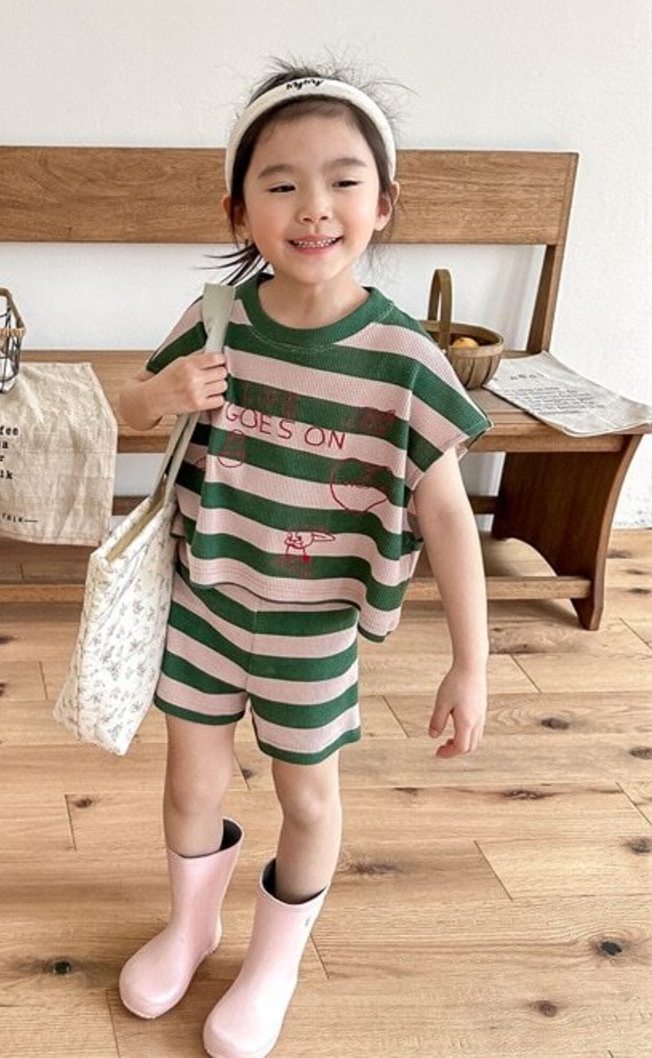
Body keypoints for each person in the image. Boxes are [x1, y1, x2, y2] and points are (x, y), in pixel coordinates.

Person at [115, 64, 491, 1058]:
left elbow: (447, 516)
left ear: (384, 202)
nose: (313, 207)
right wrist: (163, 396)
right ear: (238, 211)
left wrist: (471, 662)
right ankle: (191, 926)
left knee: (307, 794)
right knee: (190, 783)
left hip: (311, 625)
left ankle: (274, 959)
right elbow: (129, 406)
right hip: (203, 601)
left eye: (342, 180)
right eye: (280, 184)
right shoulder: (217, 319)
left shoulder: (404, 361)